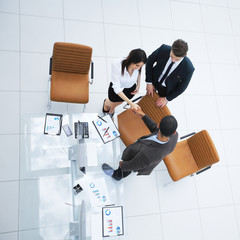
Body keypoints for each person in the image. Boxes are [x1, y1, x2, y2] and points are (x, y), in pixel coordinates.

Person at [102, 108, 178, 181]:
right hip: (146, 156)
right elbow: (154, 128)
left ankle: (117, 175)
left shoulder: (148, 154)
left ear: (159, 125)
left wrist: (123, 165)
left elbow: (134, 164)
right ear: (174, 132)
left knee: (128, 168)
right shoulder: (175, 136)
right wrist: (142, 115)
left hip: (138, 158)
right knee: (137, 163)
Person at [146, 39, 195, 108]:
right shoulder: (163, 49)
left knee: (157, 106)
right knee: (147, 100)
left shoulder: (189, 68)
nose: (173, 60)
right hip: (155, 79)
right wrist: (149, 82)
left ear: (185, 55)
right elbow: (149, 61)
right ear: (171, 49)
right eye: (171, 56)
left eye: (177, 59)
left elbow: (182, 87)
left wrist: (166, 99)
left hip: (166, 89)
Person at [103, 49, 147, 117]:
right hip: (116, 88)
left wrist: (138, 85)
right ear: (131, 60)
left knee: (120, 101)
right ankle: (106, 103)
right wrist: (131, 103)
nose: (139, 68)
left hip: (130, 88)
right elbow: (116, 88)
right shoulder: (117, 64)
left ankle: (112, 109)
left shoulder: (138, 66)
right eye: (137, 65)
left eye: (141, 66)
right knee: (112, 102)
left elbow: (139, 74)